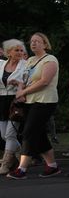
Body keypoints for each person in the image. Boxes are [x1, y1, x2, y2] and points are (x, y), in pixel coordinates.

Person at [7, 33, 61, 179]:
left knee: (28, 132)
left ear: (45, 44)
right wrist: (20, 91)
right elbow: (24, 80)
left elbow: (44, 81)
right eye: (32, 42)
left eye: (37, 41)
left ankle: (22, 169)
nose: (34, 44)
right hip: (30, 101)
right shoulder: (30, 60)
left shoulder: (50, 60)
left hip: (45, 101)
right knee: (38, 133)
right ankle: (52, 166)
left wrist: (24, 91)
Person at [0, 39, 27, 174]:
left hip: (15, 102)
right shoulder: (1, 64)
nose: (20, 52)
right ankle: (23, 154)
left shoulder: (26, 65)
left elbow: (29, 82)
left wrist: (19, 83)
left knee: (10, 134)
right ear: (8, 52)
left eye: (22, 50)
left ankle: (5, 164)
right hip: (1, 101)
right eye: (16, 50)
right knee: (4, 135)